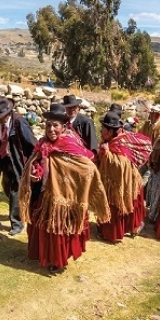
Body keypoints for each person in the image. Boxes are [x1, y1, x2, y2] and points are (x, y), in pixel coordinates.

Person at [19, 104, 110, 274]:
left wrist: (76, 188)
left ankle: (58, 261)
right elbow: (36, 164)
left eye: (55, 126)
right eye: (48, 125)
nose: (51, 129)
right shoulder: (42, 144)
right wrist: (34, 174)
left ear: (63, 126)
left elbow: (88, 167)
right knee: (42, 227)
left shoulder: (69, 144)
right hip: (44, 194)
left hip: (63, 198)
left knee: (58, 230)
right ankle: (45, 255)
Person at [96, 111, 152, 242]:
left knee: (123, 206)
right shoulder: (108, 142)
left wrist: (108, 155)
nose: (100, 130)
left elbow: (122, 164)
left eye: (103, 128)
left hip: (125, 184)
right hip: (114, 183)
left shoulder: (120, 143)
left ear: (110, 132)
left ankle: (123, 231)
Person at [0, 96, 37, 236]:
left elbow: (32, 143)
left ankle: (17, 223)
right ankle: (21, 210)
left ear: (8, 113)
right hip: (5, 161)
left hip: (18, 161)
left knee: (15, 192)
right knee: (7, 188)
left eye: (1, 116)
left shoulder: (19, 123)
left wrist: (33, 162)